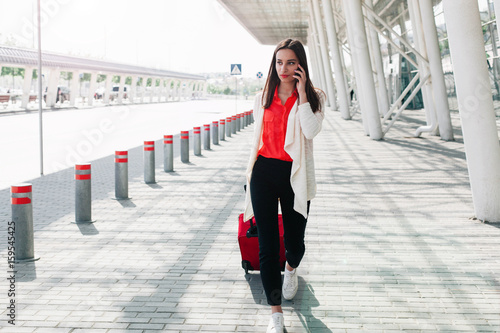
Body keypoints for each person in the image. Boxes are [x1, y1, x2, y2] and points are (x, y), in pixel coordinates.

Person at [243, 38, 325, 333]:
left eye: (291, 62)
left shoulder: (314, 97)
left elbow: (311, 131)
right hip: (264, 172)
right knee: (268, 246)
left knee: (294, 243)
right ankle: (275, 313)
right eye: (279, 62)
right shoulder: (263, 96)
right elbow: (258, 138)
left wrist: (302, 94)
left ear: (301, 65)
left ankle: (291, 269)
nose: (284, 68)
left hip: (295, 175)